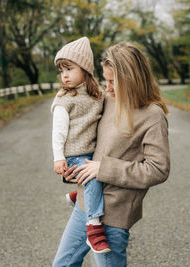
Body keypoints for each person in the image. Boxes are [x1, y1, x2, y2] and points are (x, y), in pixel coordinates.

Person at [52, 42, 171, 266]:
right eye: (105, 80)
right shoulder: (106, 101)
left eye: (113, 82)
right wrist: (71, 169)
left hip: (115, 214)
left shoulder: (152, 116)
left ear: (132, 80)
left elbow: (158, 169)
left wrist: (103, 168)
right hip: (86, 206)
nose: (107, 88)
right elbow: (85, 138)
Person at [51, 36, 111, 254]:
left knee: (105, 168)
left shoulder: (97, 94)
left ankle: (80, 196)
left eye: (69, 68)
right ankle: (94, 228)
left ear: (85, 68)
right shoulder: (65, 99)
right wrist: (58, 157)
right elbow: (58, 133)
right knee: (92, 174)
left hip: (91, 152)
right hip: (74, 154)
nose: (64, 75)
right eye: (61, 70)